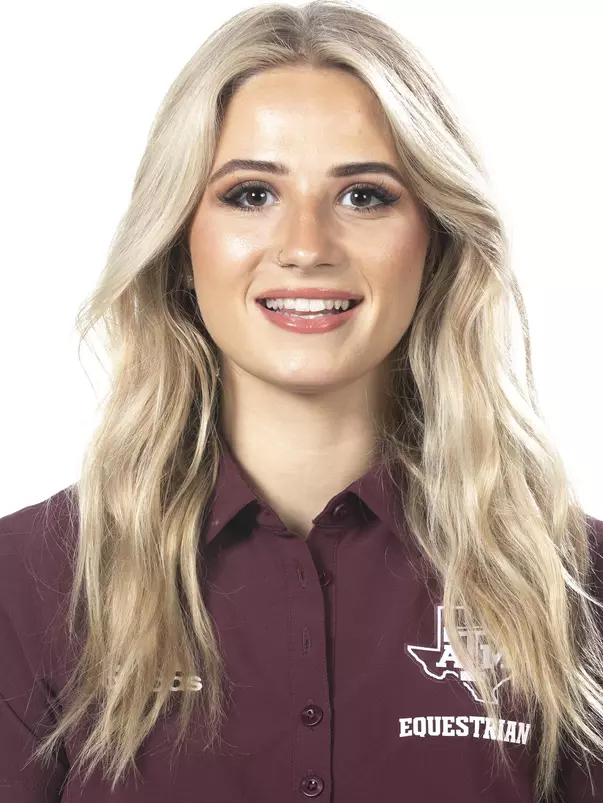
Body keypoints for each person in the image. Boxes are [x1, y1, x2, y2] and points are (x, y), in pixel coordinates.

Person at [1, 1, 602, 801]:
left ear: (437, 243)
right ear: (180, 239)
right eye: (250, 194)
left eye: (364, 196)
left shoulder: (574, 587)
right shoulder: (29, 579)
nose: (305, 246)